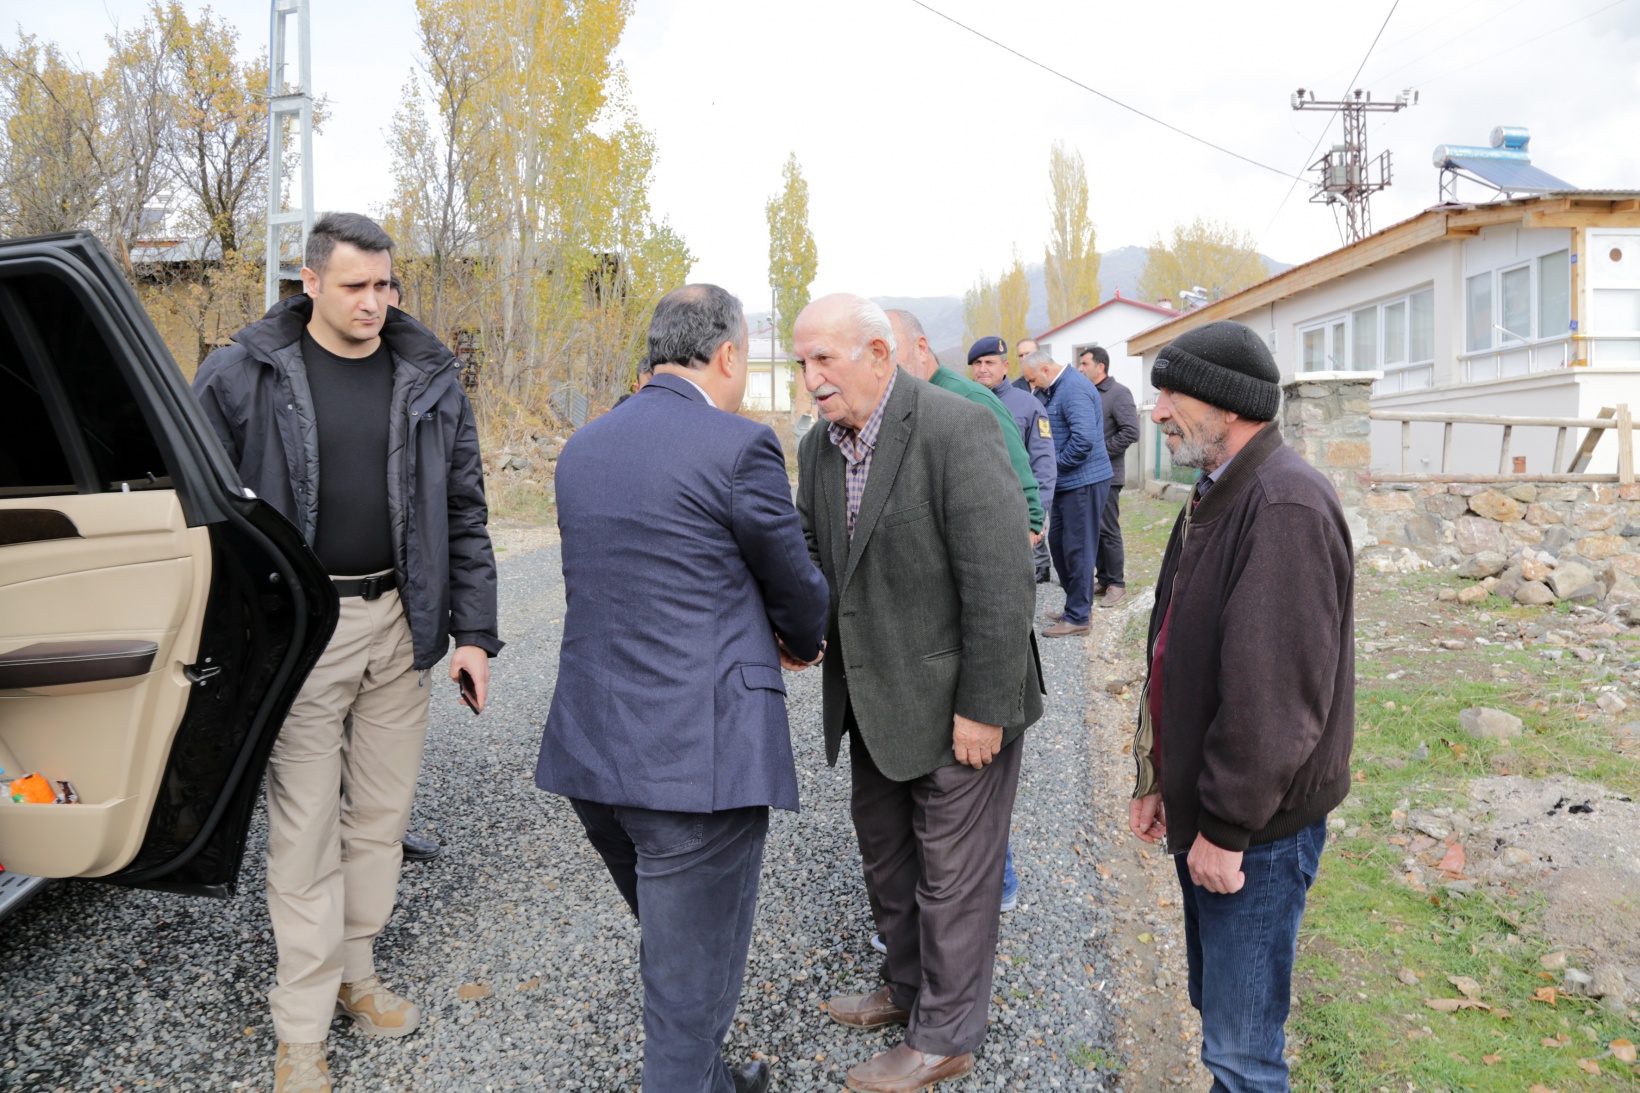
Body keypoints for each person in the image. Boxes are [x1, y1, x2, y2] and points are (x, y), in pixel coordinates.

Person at [193, 212, 501, 1093]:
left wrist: (473, 633)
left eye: (387, 285)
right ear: (312, 281)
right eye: (358, 285)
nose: (376, 302)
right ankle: (301, 1028)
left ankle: (357, 973)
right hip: (303, 630)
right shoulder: (244, 372)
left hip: (401, 623)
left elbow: (466, 510)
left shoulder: (430, 374)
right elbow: (191, 501)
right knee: (304, 831)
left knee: (380, 820)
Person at [537, 284, 829, 1093]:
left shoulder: (584, 447)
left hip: (594, 755)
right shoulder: (738, 445)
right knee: (683, 994)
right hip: (697, 768)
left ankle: (719, 1080)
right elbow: (795, 583)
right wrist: (803, 641)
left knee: (680, 962)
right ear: (729, 353)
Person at [794, 293, 1043, 1093]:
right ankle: (908, 991)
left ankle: (946, 1035)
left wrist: (984, 706)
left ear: (878, 354)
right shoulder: (818, 449)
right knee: (889, 862)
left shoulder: (952, 427)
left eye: (824, 360)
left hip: (959, 705)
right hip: (875, 704)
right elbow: (811, 555)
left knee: (953, 878)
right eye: (801, 363)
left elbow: (1002, 582)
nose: (811, 379)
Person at [1129, 320, 1354, 1092]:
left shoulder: (1282, 504)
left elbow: (1274, 700)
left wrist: (1223, 827)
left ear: (1229, 403)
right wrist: (1160, 776)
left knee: (1242, 1047)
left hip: (1256, 833)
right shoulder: (1219, 491)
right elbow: (1176, 649)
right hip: (1226, 815)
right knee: (1219, 1014)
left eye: (1172, 393)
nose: (1156, 411)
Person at [879, 316, 1043, 930]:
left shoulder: (967, 401)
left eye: (888, 355)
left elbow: (1025, 503)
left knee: (969, 772)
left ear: (921, 348)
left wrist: (992, 580)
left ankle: (990, 889)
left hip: (966, 620)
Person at [382, 274, 444, 866]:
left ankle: (386, 832)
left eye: (390, 301)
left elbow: (459, 506)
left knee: (386, 746)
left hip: (405, 601)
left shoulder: (422, 382)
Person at [882, 312, 1043, 539]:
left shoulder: (969, 396)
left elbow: (1015, 465)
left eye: (892, 349)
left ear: (920, 348)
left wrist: (1030, 526)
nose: (883, 362)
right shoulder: (899, 399)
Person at [1020, 347, 1110, 637]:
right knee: (1060, 545)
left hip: (1083, 483)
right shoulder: (1058, 387)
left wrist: (1053, 468)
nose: (1033, 387)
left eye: (1033, 380)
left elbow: (1083, 440)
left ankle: (1079, 617)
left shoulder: (1073, 388)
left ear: (1045, 370)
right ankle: (1075, 605)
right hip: (1067, 484)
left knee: (1078, 550)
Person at [1078, 346, 1139, 608]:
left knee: (1108, 529)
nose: (1080, 368)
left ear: (1100, 366)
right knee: (1094, 529)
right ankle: (1103, 580)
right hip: (1088, 475)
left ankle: (1117, 585)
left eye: (1084, 364)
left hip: (1109, 474)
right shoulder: (1087, 393)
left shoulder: (1118, 393)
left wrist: (1100, 454)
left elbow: (1130, 432)